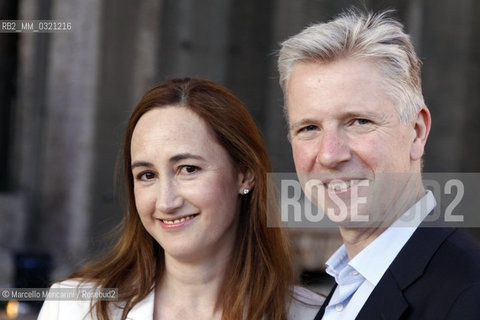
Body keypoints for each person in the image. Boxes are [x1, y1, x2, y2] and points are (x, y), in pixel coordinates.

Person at [38, 78, 323, 320]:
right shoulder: (73, 307)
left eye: (188, 169)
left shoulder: (315, 315)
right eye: (147, 175)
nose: (166, 202)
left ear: (245, 175)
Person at [277, 8, 480, 320]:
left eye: (359, 121)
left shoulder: (468, 294)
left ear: (417, 131)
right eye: (309, 128)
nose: (330, 155)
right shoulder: (348, 283)